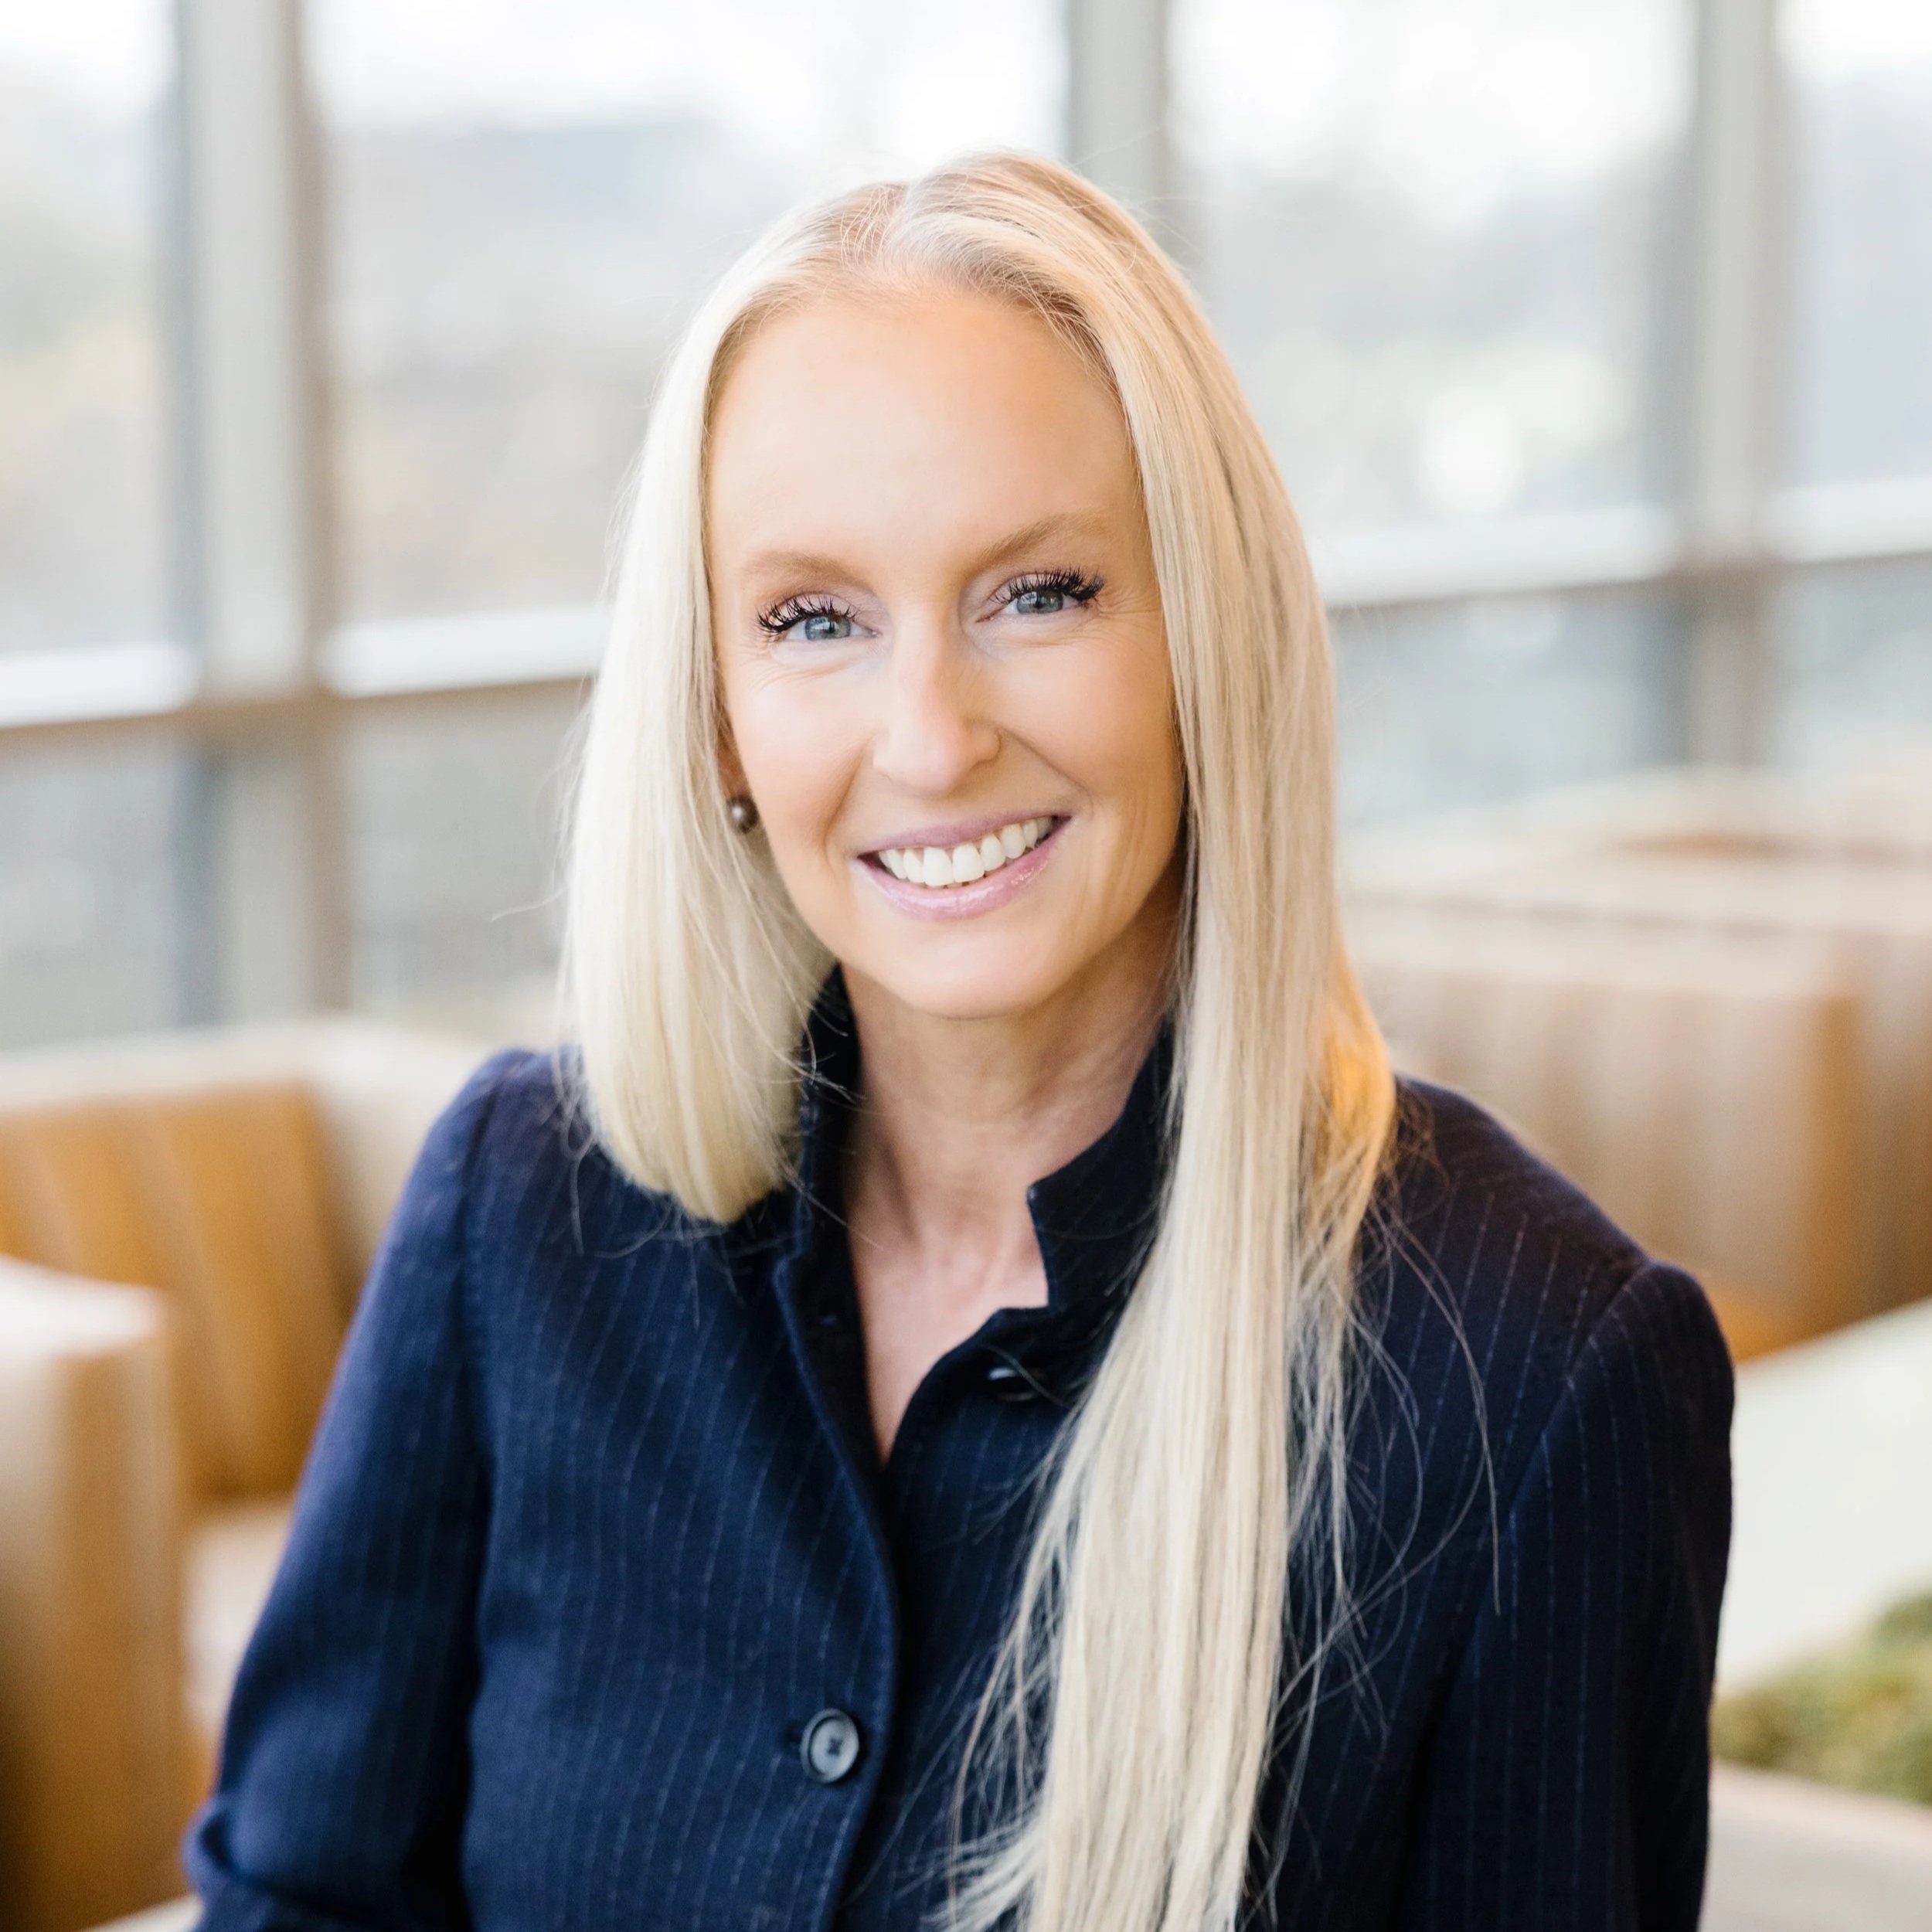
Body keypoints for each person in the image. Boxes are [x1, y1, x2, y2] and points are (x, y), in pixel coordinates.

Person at [185, 154, 1732, 1932]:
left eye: (1038, 592)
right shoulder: (518, 1211)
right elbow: (297, 1894)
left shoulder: (1532, 1376)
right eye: (812, 619)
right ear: (716, 716)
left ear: (1202, 639)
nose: (927, 740)